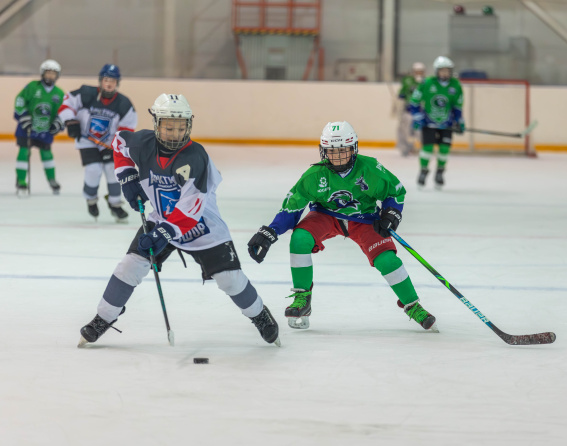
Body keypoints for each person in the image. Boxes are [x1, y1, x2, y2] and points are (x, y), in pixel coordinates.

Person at [78, 94, 280, 347]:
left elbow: (190, 209)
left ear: (189, 125)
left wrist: (162, 233)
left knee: (229, 279)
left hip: (202, 226)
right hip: (162, 218)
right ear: (156, 124)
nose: (175, 134)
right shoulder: (142, 143)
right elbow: (119, 143)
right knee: (130, 266)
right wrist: (127, 176)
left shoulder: (195, 157)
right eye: (168, 127)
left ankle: (259, 314)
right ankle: (104, 317)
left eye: (181, 128)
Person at [247, 121, 437, 332]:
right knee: (300, 238)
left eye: (342, 150)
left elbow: (395, 191)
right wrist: (270, 231)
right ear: (323, 151)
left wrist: (391, 214)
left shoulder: (370, 169)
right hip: (326, 216)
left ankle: (413, 306)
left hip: (364, 219)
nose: (337, 157)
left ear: (353, 149)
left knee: (388, 260)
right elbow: (292, 208)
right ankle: (302, 297)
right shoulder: (314, 175)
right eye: (331, 151)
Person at [58, 64, 136, 222]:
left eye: (112, 81)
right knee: (93, 169)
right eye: (106, 80)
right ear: (100, 81)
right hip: (87, 141)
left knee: (113, 170)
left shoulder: (123, 103)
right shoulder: (86, 93)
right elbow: (66, 104)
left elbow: (127, 128)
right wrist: (70, 121)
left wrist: (116, 145)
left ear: (117, 83)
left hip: (109, 143)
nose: (109, 84)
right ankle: (91, 199)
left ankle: (115, 204)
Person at [409, 56, 464, 188]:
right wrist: (417, 117)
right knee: (427, 148)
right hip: (429, 123)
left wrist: (459, 121)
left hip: (446, 124)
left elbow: (457, 106)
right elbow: (414, 101)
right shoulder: (427, 83)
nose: (445, 73)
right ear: (436, 71)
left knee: (444, 149)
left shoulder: (455, 85)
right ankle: (423, 171)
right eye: (442, 70)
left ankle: (440, 172)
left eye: (447, 70)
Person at [13, 59, 65, 196]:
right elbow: (20, 100)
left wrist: (58, 123)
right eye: (48, 72)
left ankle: (51, 179)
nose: (50, 76)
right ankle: (21, 180)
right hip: (27, 127)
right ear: (42, 73)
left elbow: (64, 111)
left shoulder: (59, 93)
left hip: (45, 129)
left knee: (47, 154)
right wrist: (24, 116)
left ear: (57, 75)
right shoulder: (32, 87)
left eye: (53, 73)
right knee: (24, 152)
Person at [396, 62, 425, 156]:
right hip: (408, 110)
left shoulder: (427, 82)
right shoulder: (407, 80)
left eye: (420, 72)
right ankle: (406, 148)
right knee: (405, 131)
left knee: (420, 132)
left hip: (421, 112)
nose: (418, 73)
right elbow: (402, 94)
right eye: (416, 71)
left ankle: (423, 148)